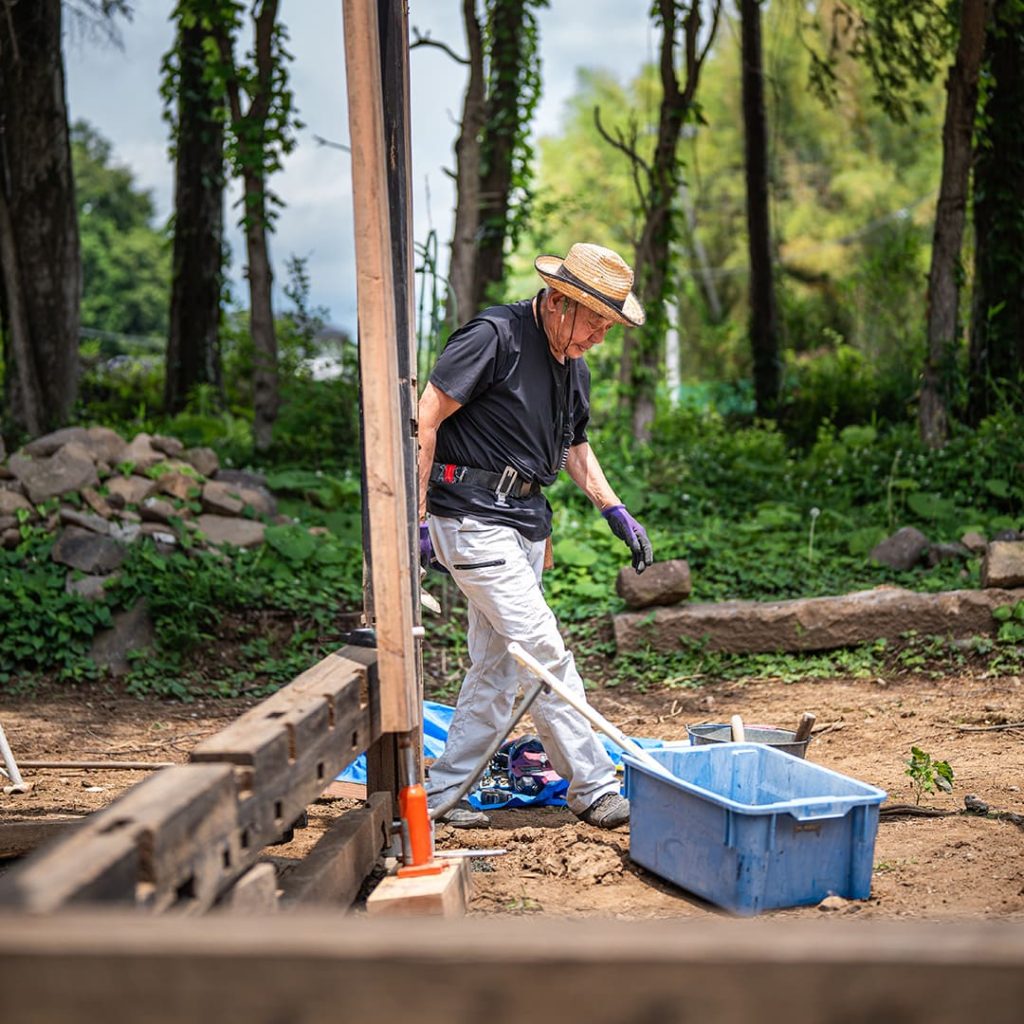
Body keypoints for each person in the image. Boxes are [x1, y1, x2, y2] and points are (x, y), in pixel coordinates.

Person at [417, 242, 654, 830]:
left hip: (522, 522)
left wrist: (613, 508)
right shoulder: (495, 335)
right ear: (557, 301)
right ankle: (594, 786)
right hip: (470, 517)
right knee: (542, 650)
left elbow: (573, 446)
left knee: (496, 666)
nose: (598, 336)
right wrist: (416, 519)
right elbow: (424, 415)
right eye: (594, 321)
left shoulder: (574, 365)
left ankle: (443, 796)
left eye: (608, 327)